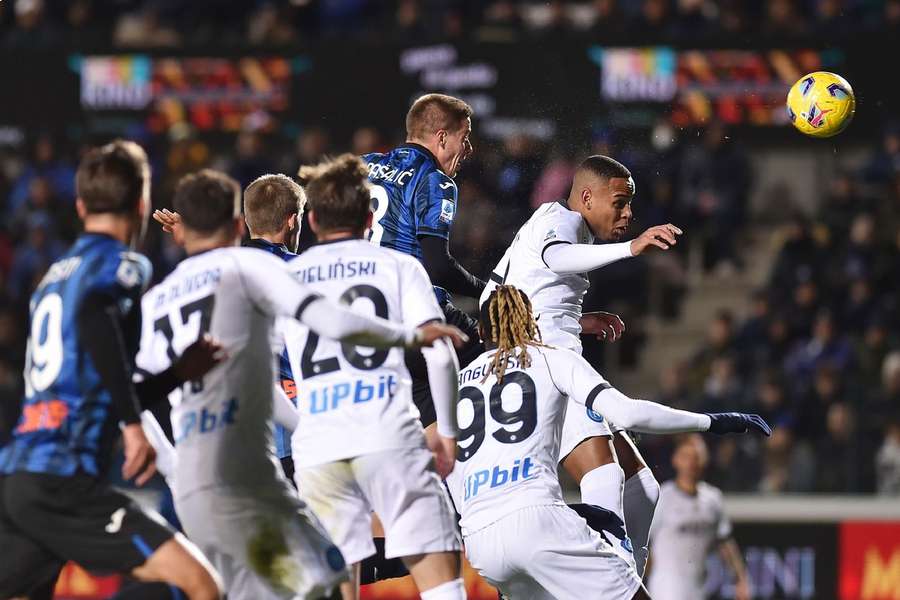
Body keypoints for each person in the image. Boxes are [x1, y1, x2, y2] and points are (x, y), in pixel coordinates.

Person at [136, 169, 466, 599]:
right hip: (312, 441)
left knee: (272, 584)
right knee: (365, 571)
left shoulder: (163, 294)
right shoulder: (284, 271)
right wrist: (412, 338)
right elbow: (330, 319)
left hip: (208, 471)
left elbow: (135, 395)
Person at [0, 141, 224, 600]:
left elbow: (100, 379)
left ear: (81, 206)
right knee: (201, 584)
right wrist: (132, 427)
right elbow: (95, 322)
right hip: (66, 478)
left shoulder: (51, 278)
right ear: (142, 205)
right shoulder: (124, 264)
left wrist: (178, 373)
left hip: (21, 475)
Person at [446, 285, 769, 599]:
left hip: (481, 542)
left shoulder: (455, 387)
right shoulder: (550, 358)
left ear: (481, 333)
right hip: (537, 522)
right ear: (531, 322)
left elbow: (450, 470)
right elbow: (626, 413)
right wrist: (712, 421)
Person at [481, 154, 682, 575]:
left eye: (630, 204)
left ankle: (625, 577)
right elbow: (556, 258)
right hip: (548, 370)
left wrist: (575, 320)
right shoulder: (560, 220)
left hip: (544, 358)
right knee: (606, 479)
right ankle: (598, 578)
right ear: (587, 198)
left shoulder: (549, 226)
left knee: (642, 487)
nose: (628, 213)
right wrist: (631, 247)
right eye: (620, 202)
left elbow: (499, 295)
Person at [285, 154, 466, 600]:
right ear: (370, 217)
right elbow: (439, 353)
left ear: (311, 220)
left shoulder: (285, 278)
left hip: (319, 451)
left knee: (339, 588)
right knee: (443, 582)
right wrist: (446, 432)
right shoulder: (401, 267)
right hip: (388, 436)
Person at [156, 173, 307, 478]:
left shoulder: (219, 265)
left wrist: (195, 234)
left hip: (220, 425)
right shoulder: (303, 271)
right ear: (292, 221)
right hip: (290, 425)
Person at [362, 93, 483, 426]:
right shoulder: (434, 180)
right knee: (505, 360)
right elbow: (438, 266)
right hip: (416, 314)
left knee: (422, 420)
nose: (469, 149)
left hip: (366, 316)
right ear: (442, 137)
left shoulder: (361, 166)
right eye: (465, 137)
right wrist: (488, 292)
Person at [648, 435, 751, 600]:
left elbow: (724, 541)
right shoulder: (662, 497)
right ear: (675, 460)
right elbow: (644, 546)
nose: (691, 463)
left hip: (699, 591)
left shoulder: (713, 499)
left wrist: (740, 579)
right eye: (686, 457)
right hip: (665, 592)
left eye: (696, 457)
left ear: (705, 459)